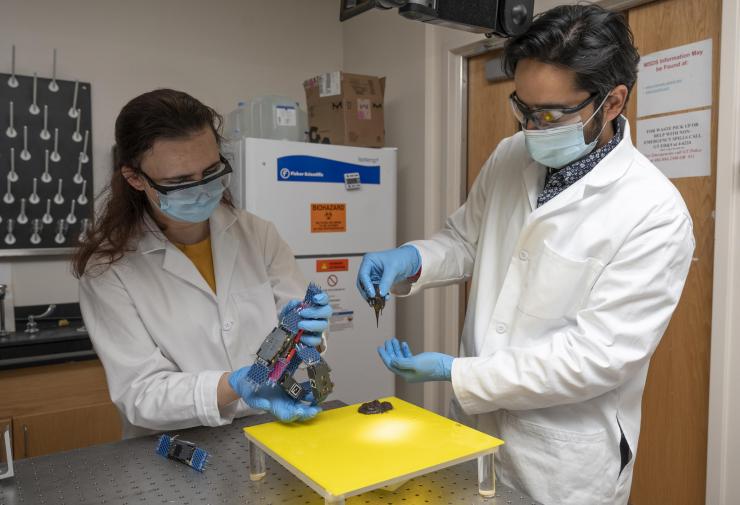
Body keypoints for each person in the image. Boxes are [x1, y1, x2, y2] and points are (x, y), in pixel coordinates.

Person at [358, 5, 694, 505]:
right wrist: (413, 257)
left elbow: (594, 358)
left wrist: (456, 372)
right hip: (473, 434)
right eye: (524, 108)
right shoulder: (510, 155)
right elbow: (466, 240)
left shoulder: (654, 212)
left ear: (613, 101)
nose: (533, 128)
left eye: (552, 115)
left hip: (560, 461)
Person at [74, 89, 331, 439]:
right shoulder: (110, 269)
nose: (201, 189)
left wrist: (310, 333)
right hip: (175, 447)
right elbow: (141, 394)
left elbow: (296, 326)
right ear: (135, 178)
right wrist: (234, 386)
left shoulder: (258, 234)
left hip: (269, 428)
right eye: (179, 182)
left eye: (211, 171)